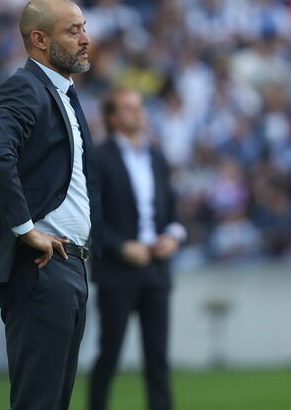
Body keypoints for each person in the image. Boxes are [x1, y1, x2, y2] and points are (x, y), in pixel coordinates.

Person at [0, 0, 102, 410]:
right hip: (42, 267)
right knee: (39, 402)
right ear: (40, 39)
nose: (85, 39)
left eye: (83, 28)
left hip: (68, 265)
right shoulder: (24, 87)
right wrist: (25, 229)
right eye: (73, 30)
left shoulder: (61, 91)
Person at [89, 89, 185, 410]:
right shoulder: (99, 157)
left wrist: (173, 236)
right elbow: (91, 215)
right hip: (118, 272)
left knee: (158, 358)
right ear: (113, 117)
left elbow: (171, 211)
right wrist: (122, 247)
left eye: (139, 107)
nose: (137, 113)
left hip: (156, 268)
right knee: (110, 354)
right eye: (129, 109)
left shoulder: (156, 157)